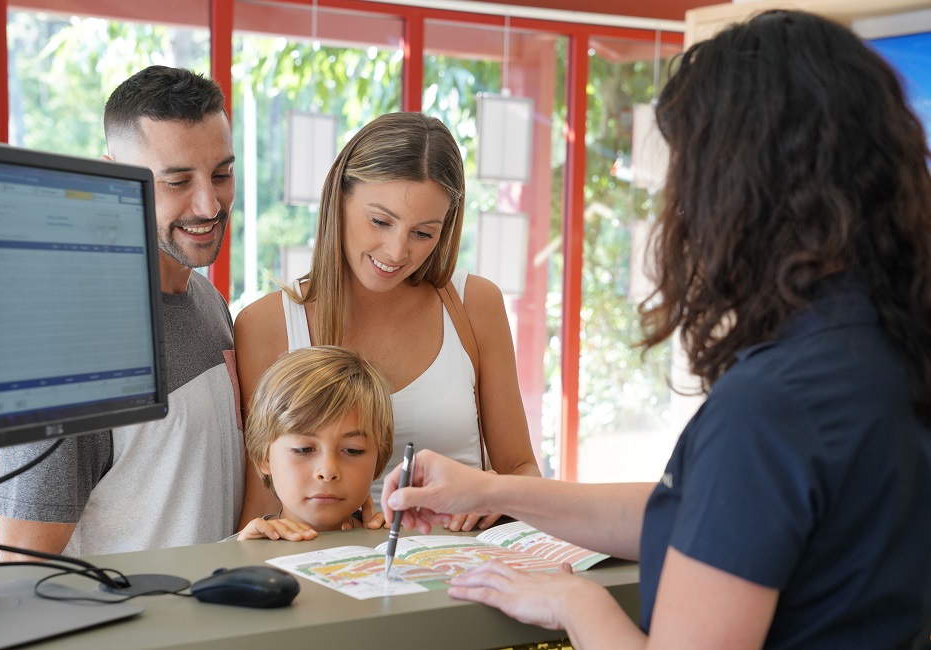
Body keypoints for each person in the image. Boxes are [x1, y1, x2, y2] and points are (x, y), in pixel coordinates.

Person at [382, 11, 931, 649]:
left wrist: (572, 603)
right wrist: (495, 490)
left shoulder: (771, 407)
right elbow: (712, 518)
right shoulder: (885, 350)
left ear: (738, 189)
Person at [234, 111, 540, 532]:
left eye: (423, 233)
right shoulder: (265, 325)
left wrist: (494, 492)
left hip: (466, 568)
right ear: (338, 199)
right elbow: (263, 500)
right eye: (380, 221)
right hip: (329, 575)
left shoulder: (474, 305)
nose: (397, 252)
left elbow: (522, 469)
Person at [0, 65, 245, 558]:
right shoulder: (72, 344)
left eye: (221, 174)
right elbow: (24, 565)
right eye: (176, 181)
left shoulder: (211, 303)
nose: (209, 204)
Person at [235, 346, 393, 541]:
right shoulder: (242, 546)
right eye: (304, 449)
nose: (327, 471)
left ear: (379, 457)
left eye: (353, 450)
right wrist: (242, 560)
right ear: (264, 457)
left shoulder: (393, 541)